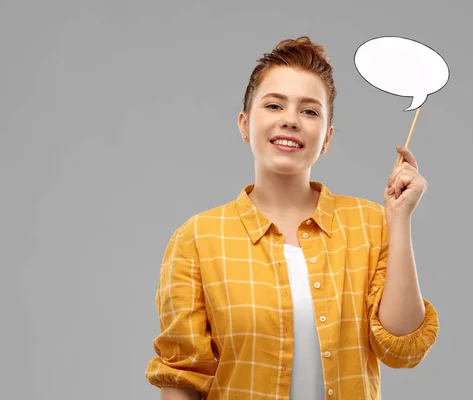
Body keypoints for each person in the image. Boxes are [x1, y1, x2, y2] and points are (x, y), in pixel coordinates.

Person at [145, 36, 439, 400]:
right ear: (244, 124)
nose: (290, 121)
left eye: (310, 111)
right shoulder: (198, 239)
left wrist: (399, 218)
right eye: (273, 105)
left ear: (327, 137)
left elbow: (402, 346)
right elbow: (182, 377)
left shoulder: (369, 224)